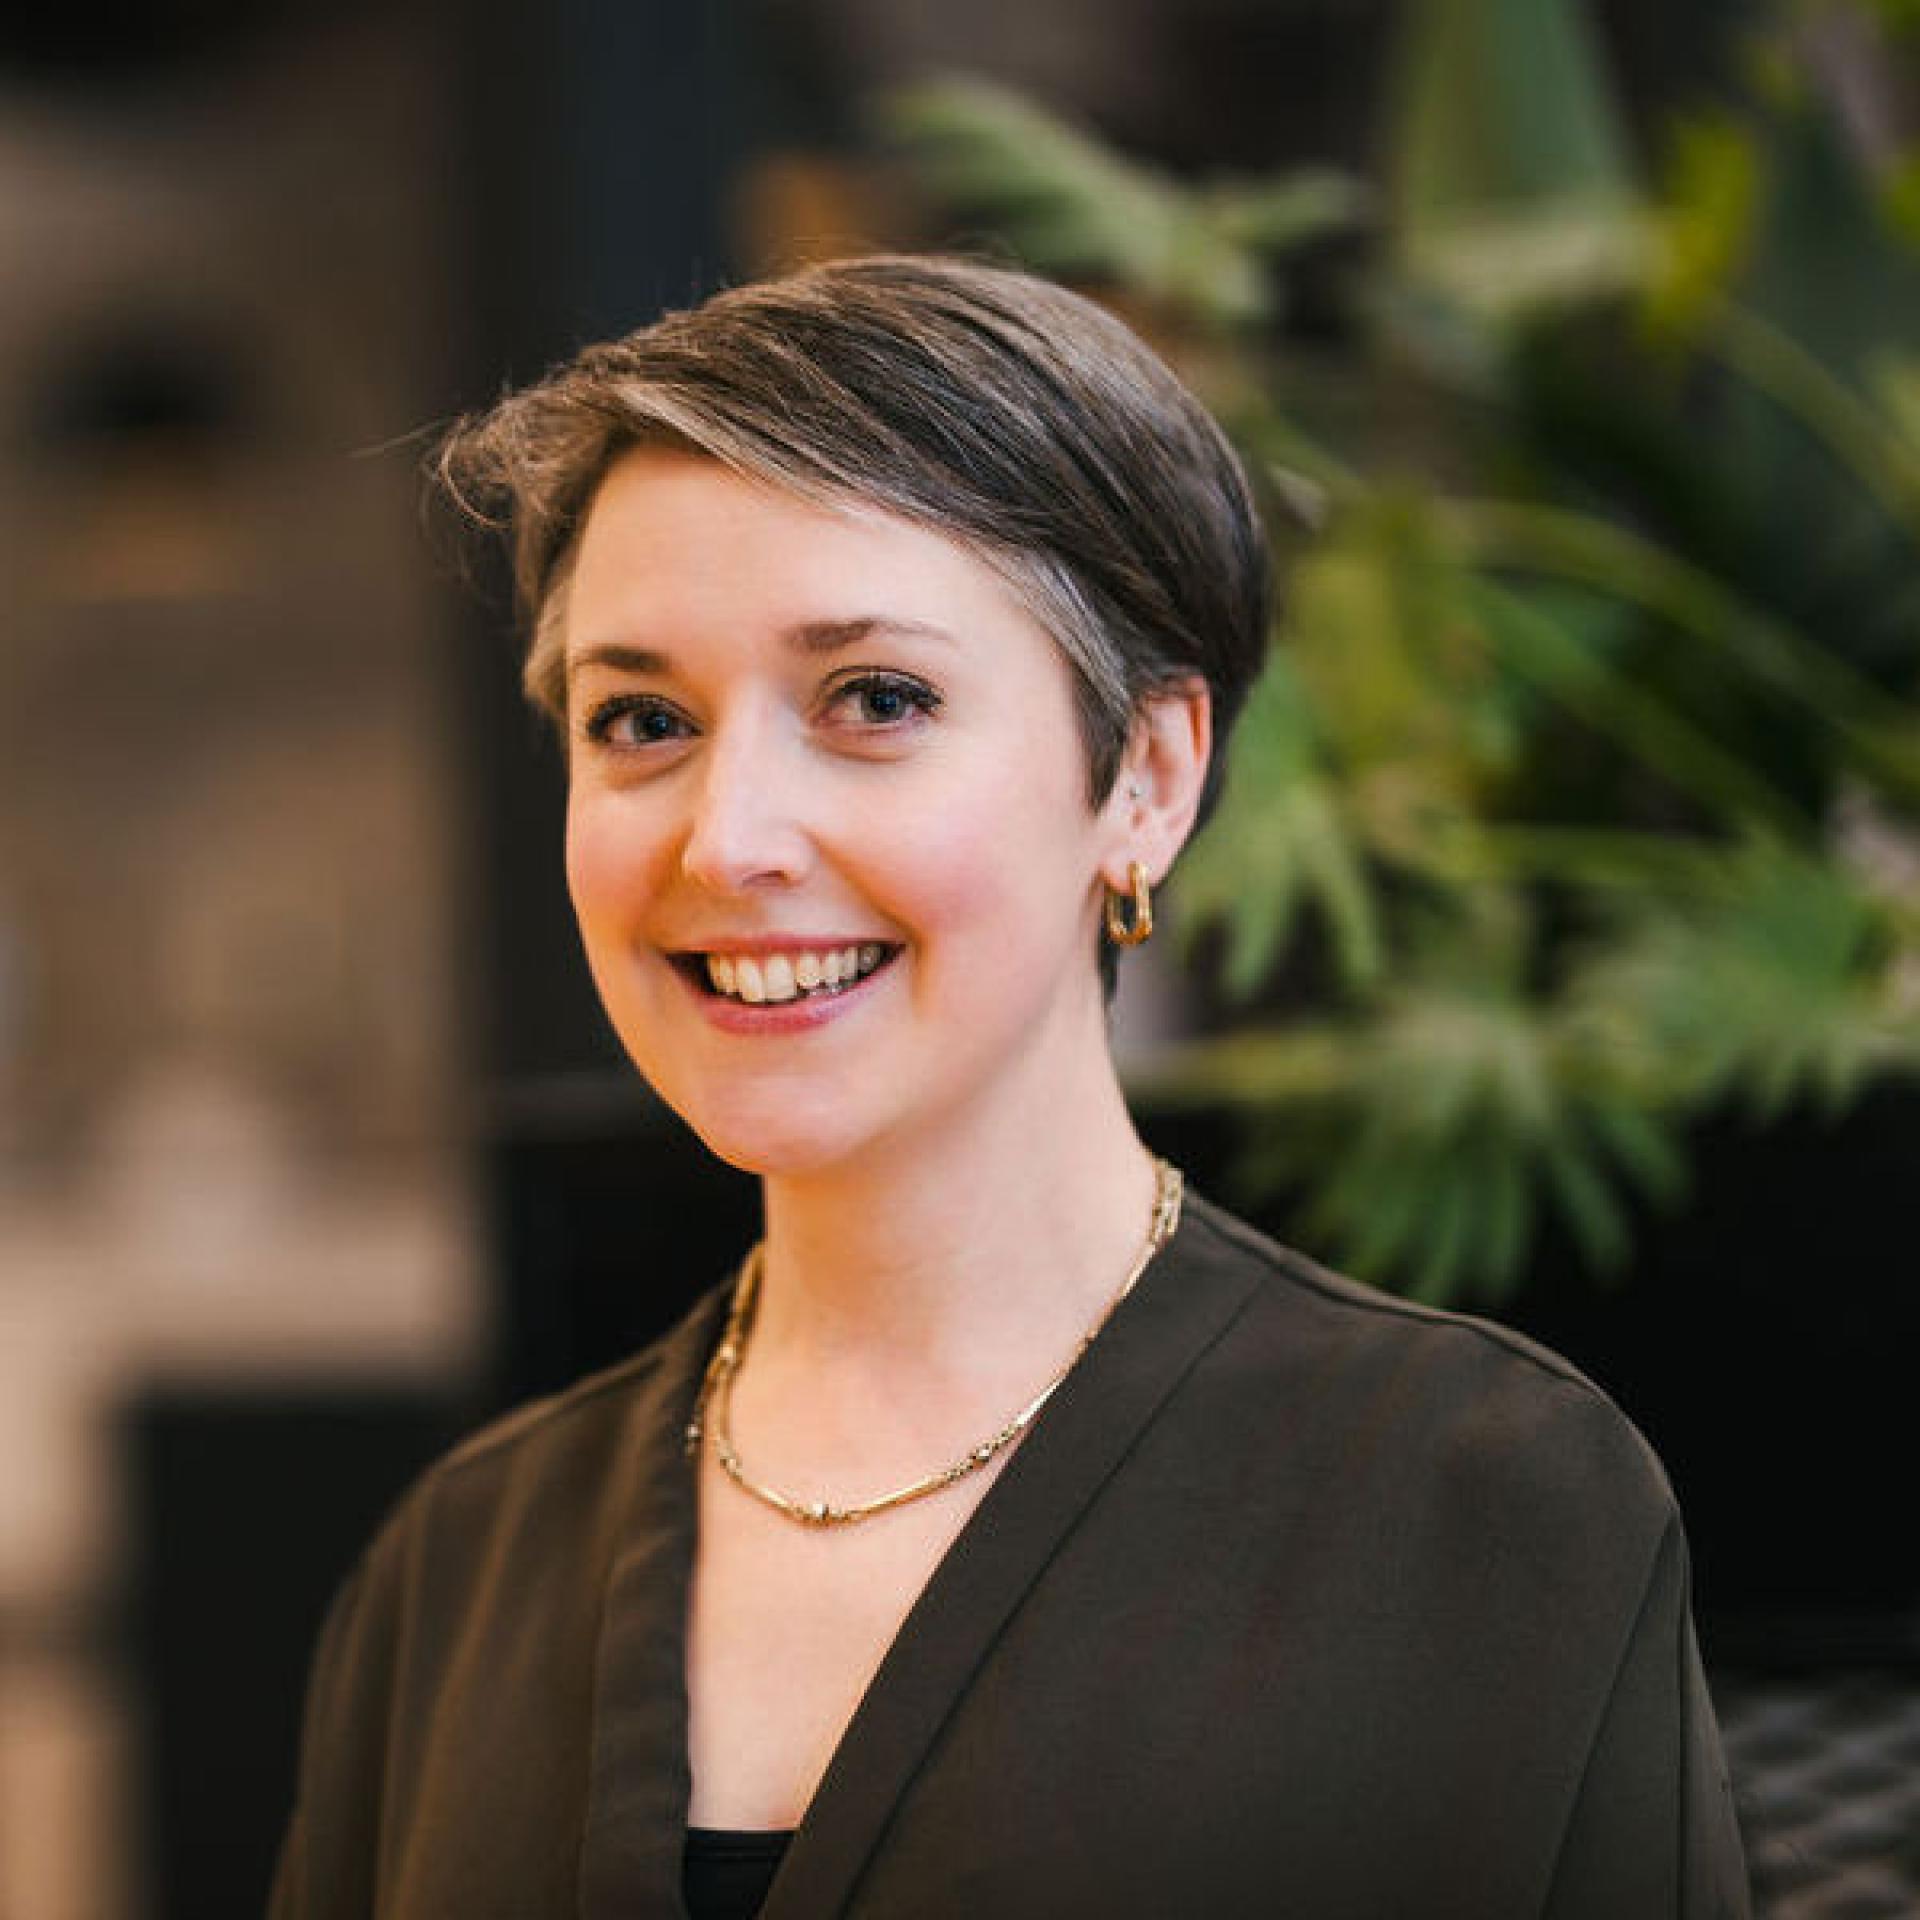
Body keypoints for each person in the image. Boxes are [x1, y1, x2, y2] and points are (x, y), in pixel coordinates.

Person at [269, 254, 1750, 1918]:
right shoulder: (458, 1571)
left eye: (876, 699)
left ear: (1151, 780)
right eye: (640, 719)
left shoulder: (1485, 1509)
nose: (729, 837)